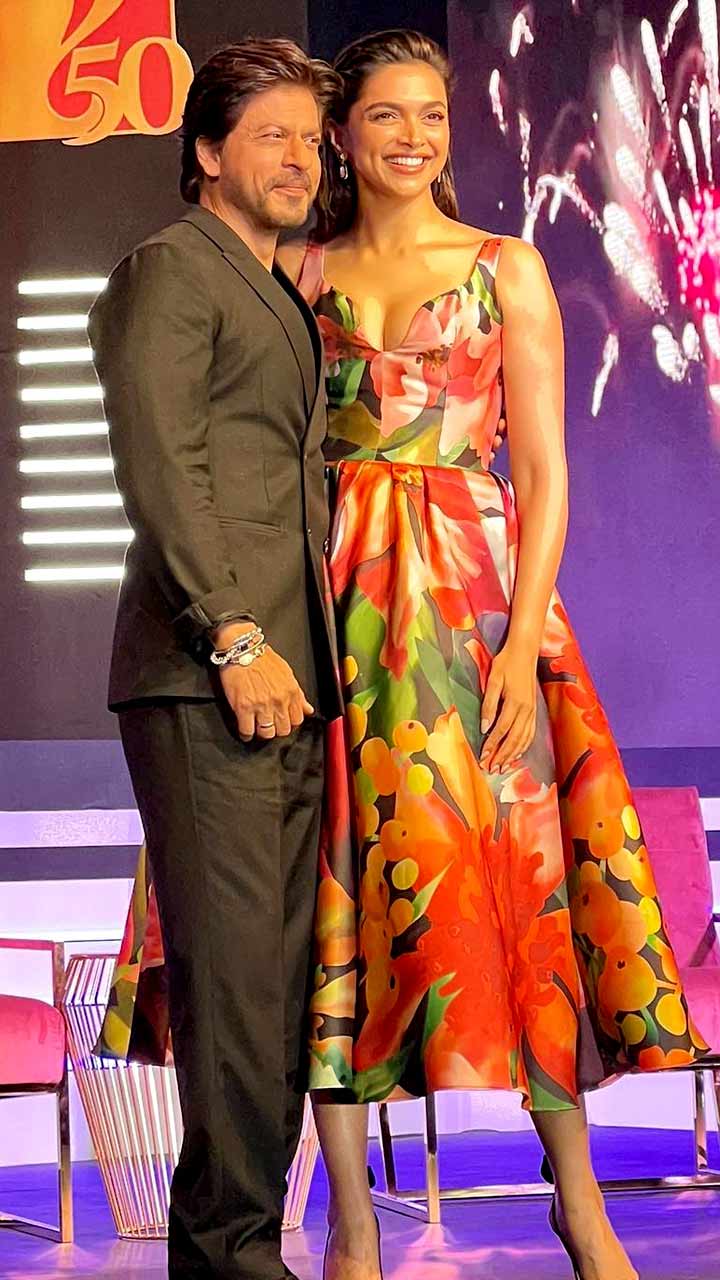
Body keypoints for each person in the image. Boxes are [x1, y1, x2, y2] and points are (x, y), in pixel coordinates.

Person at [276, 28, 708, 1280]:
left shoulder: (506, 266)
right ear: (342, 134)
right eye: (387, 115)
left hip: (477, 608)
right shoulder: (297, 273)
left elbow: (547, 472)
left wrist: (523, 642)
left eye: (432, 114)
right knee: (335, 889)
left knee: (525, 886)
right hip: (336, 605)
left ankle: (581, 1201)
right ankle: (352, 1221)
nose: (414, 136)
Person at [89, 41, 341, 1280]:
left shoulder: (275, 287)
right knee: (235, 989)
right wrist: (233, 632)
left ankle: (233, 1251)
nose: (302, 159)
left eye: (311, 139)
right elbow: (161, 467)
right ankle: (238, 1259)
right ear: (204, 151)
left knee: (273, 994)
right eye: (271, 135)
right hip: (210, 673)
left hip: (291, 678)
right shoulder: (170, 270)